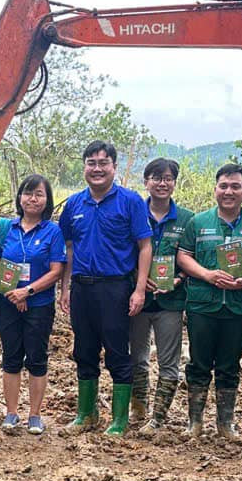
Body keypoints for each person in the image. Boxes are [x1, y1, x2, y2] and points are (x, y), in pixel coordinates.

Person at [58, 140, 152, 435]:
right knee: (84, 350)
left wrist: (139, 289)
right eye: (91, 163)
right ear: (84, 167)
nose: (97, 169)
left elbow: (145, 246)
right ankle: (86, 414)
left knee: (116, 351)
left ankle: (119, 419)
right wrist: (65, 288)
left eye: (103, 163)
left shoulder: (130, 201)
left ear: (114, 166)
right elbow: (69, 248)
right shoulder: (74, 204)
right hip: (82, 288)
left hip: (115, 288)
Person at [176, 163, 242, 438]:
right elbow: (183, 256)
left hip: (238, 307)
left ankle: (225, 424)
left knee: (230, 366)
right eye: (224, 186)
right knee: (198, 363)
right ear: (215, 189)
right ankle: (194, 423)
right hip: (202, 305)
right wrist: (207, 274)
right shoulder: (198, 222)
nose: (229, 192)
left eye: (235, 186)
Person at [0, 174, 65, 435]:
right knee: (11, 357)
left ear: (47, 200)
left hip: (40, 304)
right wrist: (14, 294)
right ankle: (11, 412)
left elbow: (56, 270)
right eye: (28, 193)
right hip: (8, 302)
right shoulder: (6, 228)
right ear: (20, 197)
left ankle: (35, 415)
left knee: (36, 358)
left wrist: (28, 291)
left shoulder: (52, 231)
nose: (32, 199)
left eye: (39, 194)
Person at [129, 158, 192, 434]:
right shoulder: (133, 213)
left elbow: (194, 257)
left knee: (169, 362)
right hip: (138, 299)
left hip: (171, 301)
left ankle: (158, 418)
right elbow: (123, 251)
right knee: (137, 357)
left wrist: (178, 279)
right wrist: (138, 278)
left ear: (174, 183)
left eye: (167, 178)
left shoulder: (187, 219)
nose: (162, 183)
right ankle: (138, 409)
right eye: (156, 177)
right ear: (146, 182)